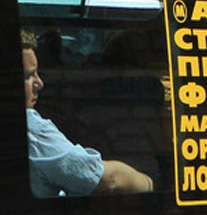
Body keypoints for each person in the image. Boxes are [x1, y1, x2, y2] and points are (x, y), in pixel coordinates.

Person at [24, 43, 151, 197]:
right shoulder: (33, 131)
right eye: (28, 76)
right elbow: (110, 181)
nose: (39, 84)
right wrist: (150, 184)